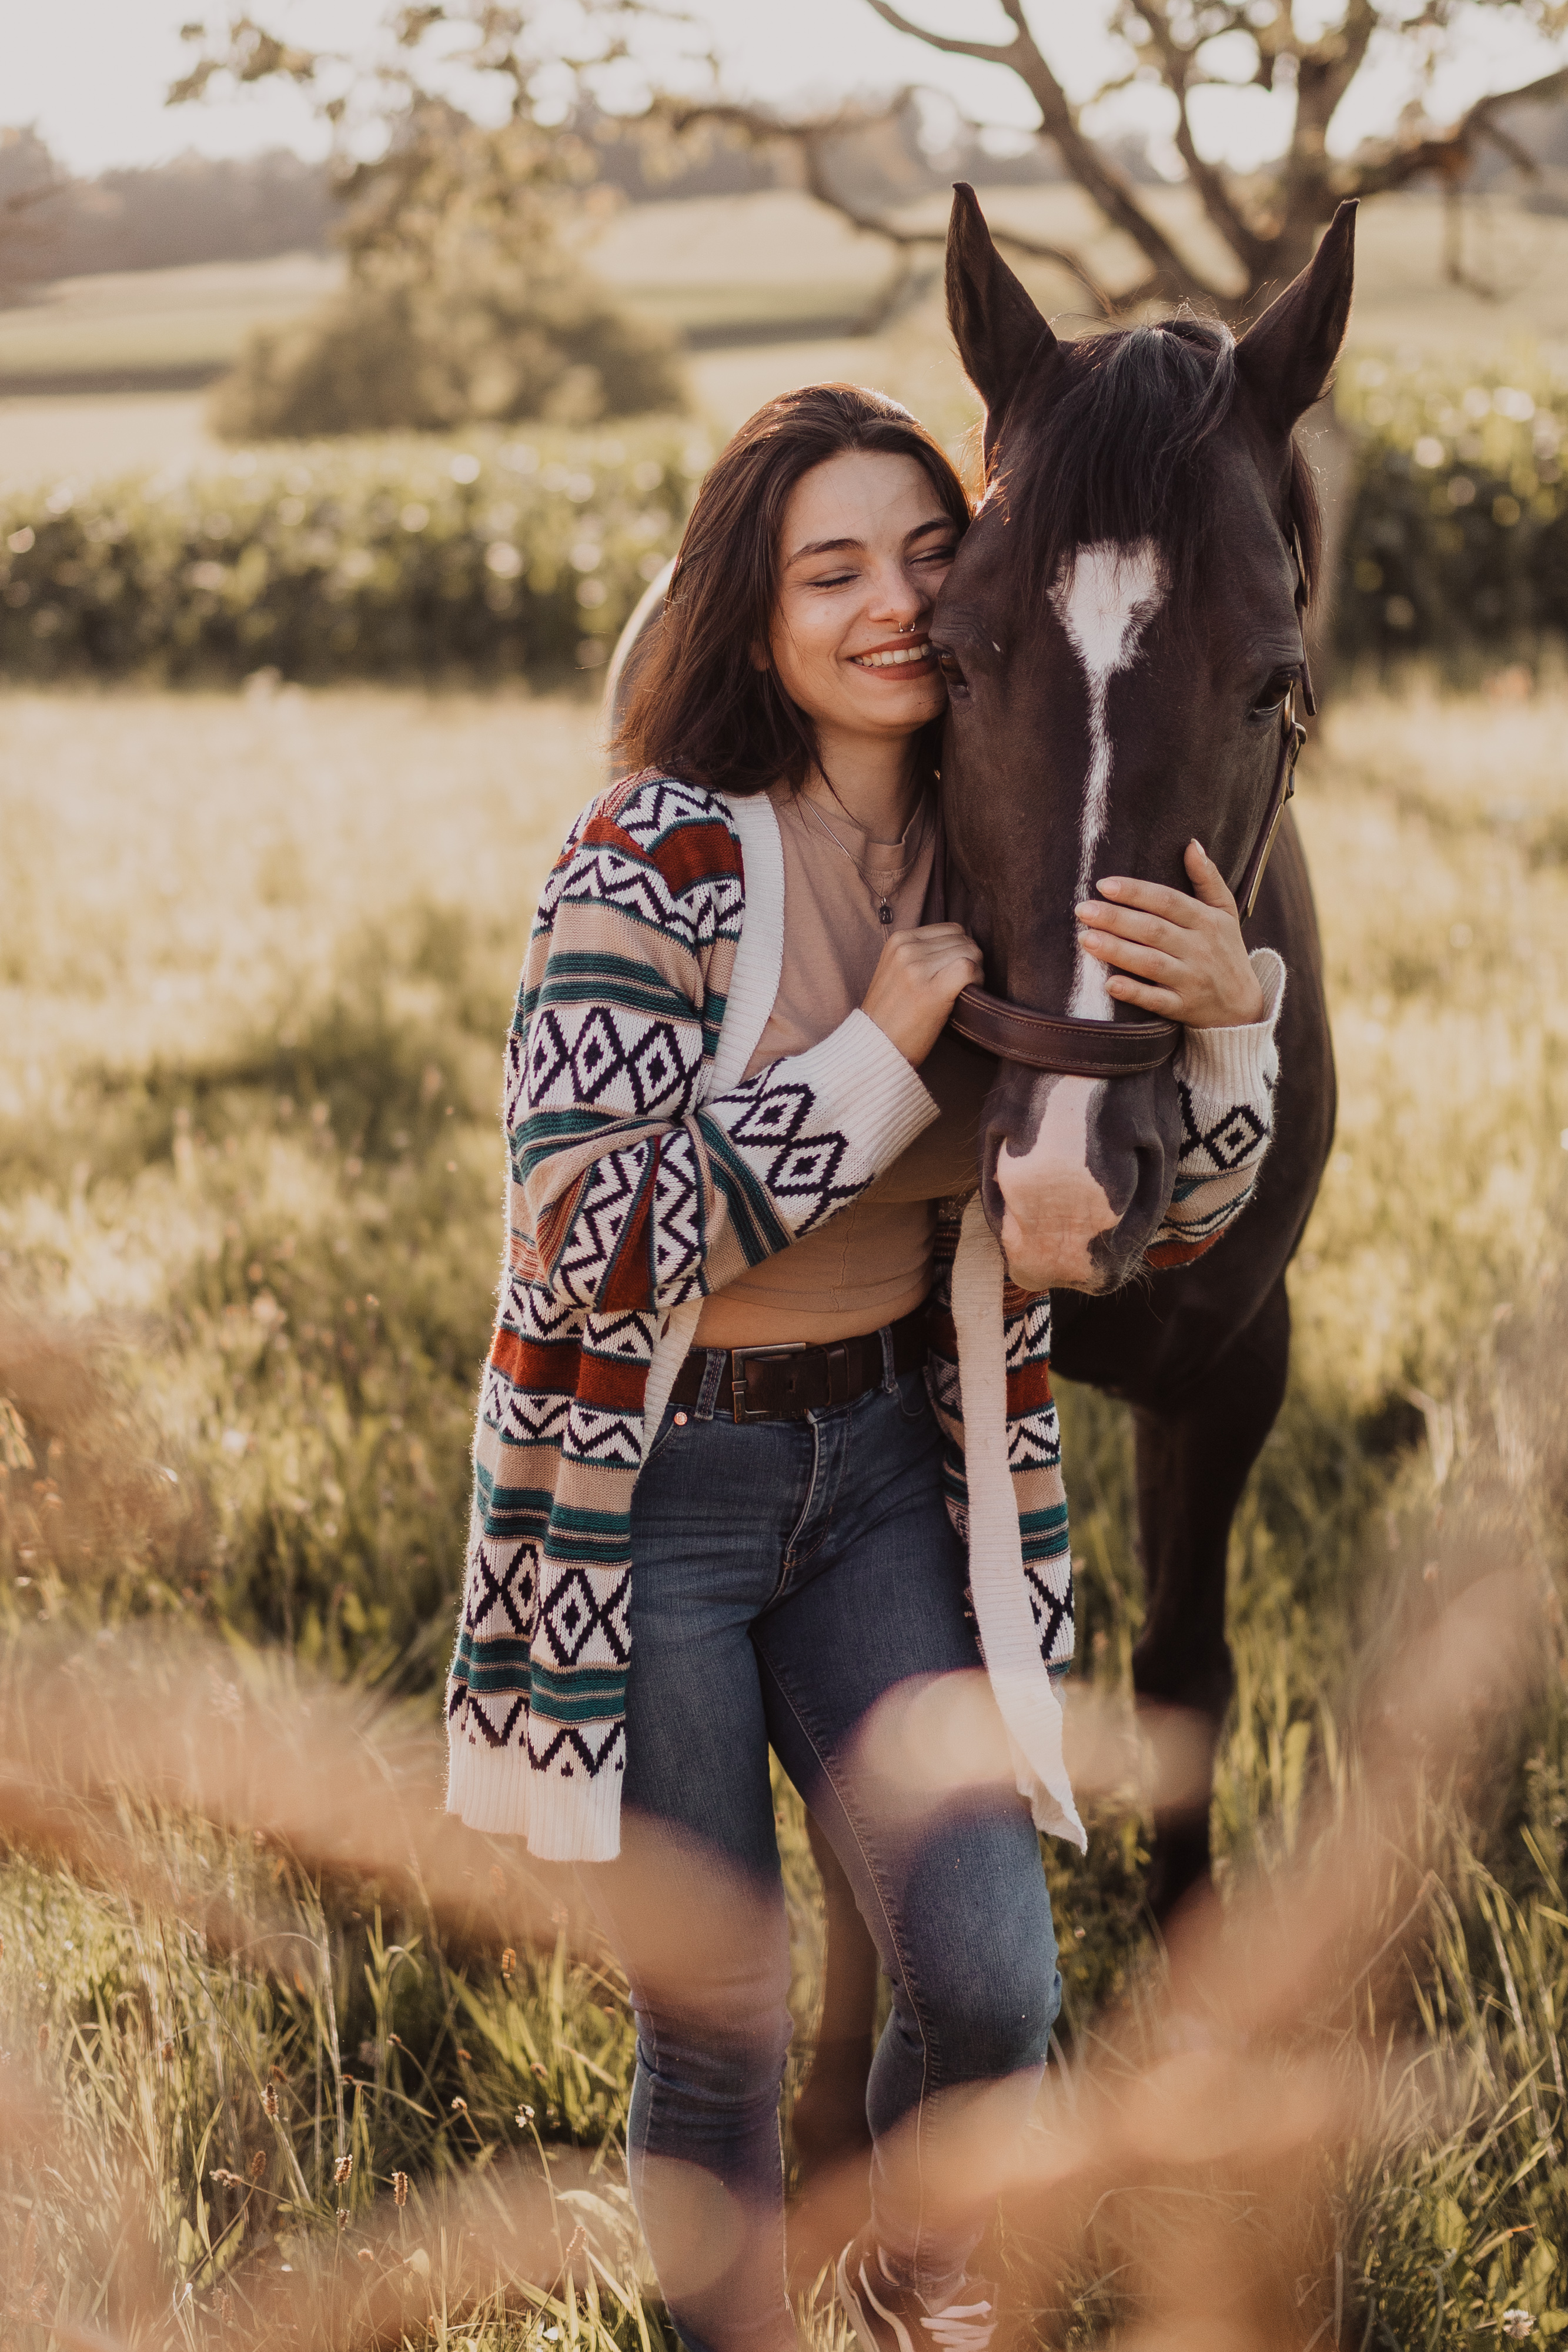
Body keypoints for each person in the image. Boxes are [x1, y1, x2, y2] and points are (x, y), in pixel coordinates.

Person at [445, 384, 1286, 2351]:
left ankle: (919, 2300)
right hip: (651, 1503)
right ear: (750, 620)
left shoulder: (1008, 855)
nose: (890, 603)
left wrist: (1227, 1028)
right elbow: (579, 1245)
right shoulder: (646, 859)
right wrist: (869, 1064)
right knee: (721, 2014)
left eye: (927, 555)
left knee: (992, 1988)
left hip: (887, 1479)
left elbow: (1154, 1232)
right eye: (829, 572)